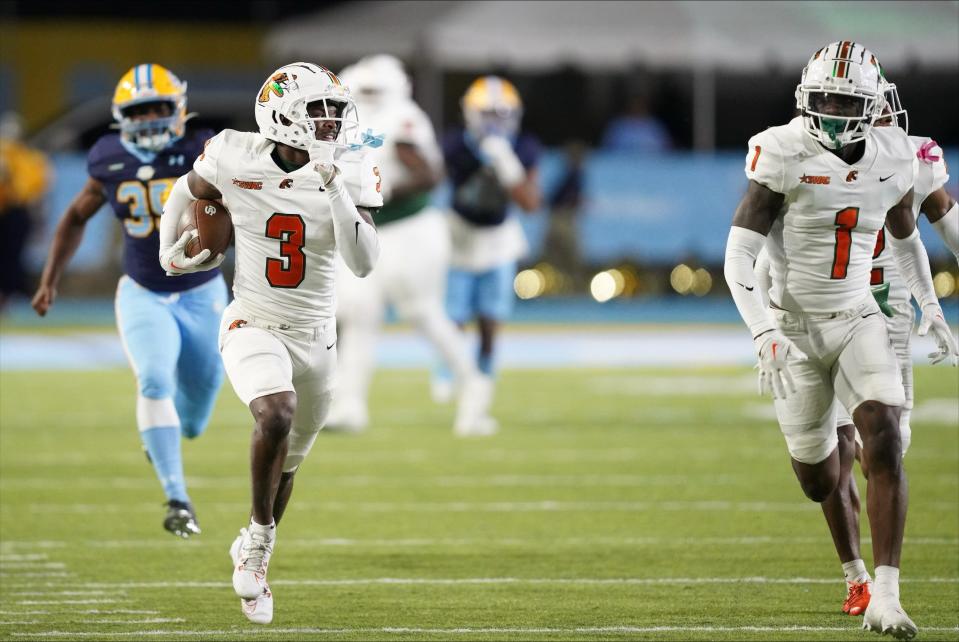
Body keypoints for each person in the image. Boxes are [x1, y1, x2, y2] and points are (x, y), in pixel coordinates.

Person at [723, 42, 957, 641]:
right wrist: (764, 330)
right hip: (794, 323)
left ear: (871, 105)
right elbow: (738, 258)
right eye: (821, 97)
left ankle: (886, 593)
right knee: (819, 479)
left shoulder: (895, 155)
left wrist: (929, 306)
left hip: (860, 313)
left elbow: (904, 239)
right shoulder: (781, 151)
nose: (828, 109)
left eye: (843, 99)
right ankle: (849, 551)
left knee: (884, 432)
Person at [158, 62, 381, 625]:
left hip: (318, 338)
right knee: (274, 412)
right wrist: (168, 250)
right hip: (254, 321)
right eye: (318, 110)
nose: (331, 121)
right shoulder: (235, 154)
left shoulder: (352, 163)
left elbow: (364, 263)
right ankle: (259, 546)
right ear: (282, 115)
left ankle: (256, 543)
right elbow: (185, 191)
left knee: (289, 465)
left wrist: (331, 181)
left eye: (335, 110)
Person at [31, 64, 226, 539]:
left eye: (161, 106)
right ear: (123, 116)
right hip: (143, 291)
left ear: (180, 108)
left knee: (196, 418)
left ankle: (163, 436)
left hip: (203, 293)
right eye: (142, 110)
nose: (153, 117)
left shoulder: (207, 151)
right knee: (154, 380)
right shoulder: (109, 156)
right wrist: (50, 277)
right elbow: (76, 216)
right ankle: (177, 497)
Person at [326, 55, 495, 436]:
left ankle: (473, 382)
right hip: (369, 229)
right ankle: (350, 404)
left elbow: (428, 174)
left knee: (421, 313)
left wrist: (375, 192)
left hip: (410, 228)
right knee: (357, 315)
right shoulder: (344, 120)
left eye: (374, 90)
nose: (367, 97)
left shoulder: (403, 116)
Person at [434, 76, 542, 427]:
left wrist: (509, 167)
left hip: (499, 238)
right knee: (454, 317)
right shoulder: (455, 145)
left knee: (491, 322)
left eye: (502, 113)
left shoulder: (523, 147)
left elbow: (530, 203)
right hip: (460, 234)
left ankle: (482, 384)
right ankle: (447, 373)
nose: (495, 122)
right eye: (488, 113)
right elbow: (434, 180)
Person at [0, 112, 51, 311]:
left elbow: (34, 192)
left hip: (17, 211)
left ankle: (10, 294)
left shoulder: (30, 158)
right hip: (10, 210)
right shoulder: (18, 157)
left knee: (13, 255)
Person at [600, 93, 672, 153]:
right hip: (621, 165)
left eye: (640, 105)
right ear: (629, 107)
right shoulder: (618, 125)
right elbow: (606, 147)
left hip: (651, 165)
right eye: (634, 105)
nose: (637, 108)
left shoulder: (654, 124)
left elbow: (667, 147)